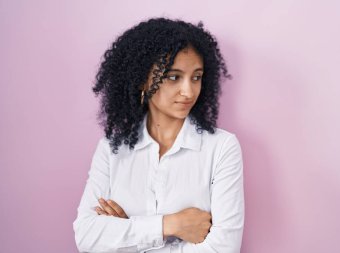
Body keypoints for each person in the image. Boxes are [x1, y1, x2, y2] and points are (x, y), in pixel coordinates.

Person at [73, 17, 245, 253]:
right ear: (143, 79)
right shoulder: (111, 149)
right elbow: (87, 238)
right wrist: (171, 225)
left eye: (196, 77)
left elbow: (223, 248)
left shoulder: (222, 147)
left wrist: (127, 234)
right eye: (174, 77)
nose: (188, 91)